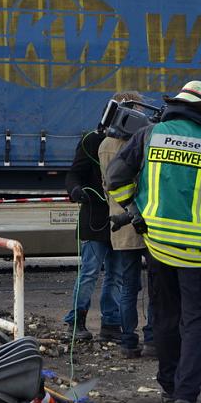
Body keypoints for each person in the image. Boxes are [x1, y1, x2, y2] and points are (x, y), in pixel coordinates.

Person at [106, 80, 201, 403]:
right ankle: (186, 396)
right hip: (197, 249)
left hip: (157, 244)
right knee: (193, 321)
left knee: (164, 317)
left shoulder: (149, 135)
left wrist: (134, 211)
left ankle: (168, 387)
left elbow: (115, 178)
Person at [98, 91, 156, 359]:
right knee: (154, 285)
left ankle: (127, 341)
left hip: (119, 223)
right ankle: (153, 339)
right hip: (145, 219)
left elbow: (108, 182)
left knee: (127, 287)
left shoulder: (104, 145)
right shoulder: (143, 140)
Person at [63, 124, 122, 342]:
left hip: (119, 221)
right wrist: (76, 191)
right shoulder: (91, 141)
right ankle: (76, 320)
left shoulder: (133, 141)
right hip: (95, 219)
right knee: (90, 273)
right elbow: (74, 174)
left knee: (116, 276)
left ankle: (111, 323)